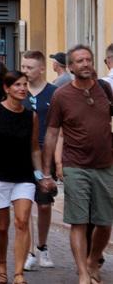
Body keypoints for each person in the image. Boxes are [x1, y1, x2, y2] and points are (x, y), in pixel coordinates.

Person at [42, 45, 113, 284]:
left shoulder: (104, 89)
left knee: (104, 222)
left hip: (105, 165)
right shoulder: (61, 95)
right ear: (70, 67)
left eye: (88, 60)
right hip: (75, 166)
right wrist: (48, 169)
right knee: (79, 221)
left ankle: (93, 260)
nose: (85, 64)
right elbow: (52, 133)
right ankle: (83, 272)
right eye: (79, 61)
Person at [0, 70, 44, 284]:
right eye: (17, 85)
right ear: (7, 88)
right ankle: (2, 266)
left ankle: (18, 273)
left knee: (22, 221)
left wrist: (40, 175)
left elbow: (34, 148)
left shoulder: (31, 116)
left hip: (24, 177)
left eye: (25, 85)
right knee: (2, 226)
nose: (22, 88)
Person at [19, 50, 59, 271]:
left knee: (43, 204)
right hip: (22, 153)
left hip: (45, 154)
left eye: (29, 67)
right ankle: (28, 251)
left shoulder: (54, 93)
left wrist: (57, 161)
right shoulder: (18, 91)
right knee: (25, 205)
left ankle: (42, 246)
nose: (25, 71)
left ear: (42, 68)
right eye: (23, 67)